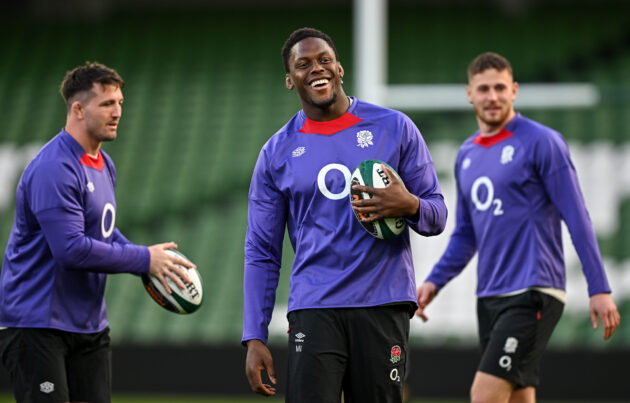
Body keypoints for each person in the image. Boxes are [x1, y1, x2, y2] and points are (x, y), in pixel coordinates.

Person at [242, 27, 447, 403]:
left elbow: (437, 214)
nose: (315, 69)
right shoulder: (276, 153)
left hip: (382, 304)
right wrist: (254, 335)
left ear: (339, 68)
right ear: (290, 80)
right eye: (303, 64)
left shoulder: (395, 127)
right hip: (314, 307)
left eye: (324, 60)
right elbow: (261, 250)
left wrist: (409, 204)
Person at [416, 52, 621, 403]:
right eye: (483, 89)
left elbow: (577, 216)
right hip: (490, 296)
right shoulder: (467, 154)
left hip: (533, 292)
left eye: (499, 87)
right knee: (517, 397)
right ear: (470, 93)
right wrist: (434, 281)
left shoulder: (542, 142)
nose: (492, 96)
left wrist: (599, 288)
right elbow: (466, 234)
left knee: (484, 395)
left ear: (514, 90)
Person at [0, 62, 195, 403]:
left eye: (120, 102)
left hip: (88, 326)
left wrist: (150, 257)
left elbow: (101, 230)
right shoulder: (54, 168)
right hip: (37, 325)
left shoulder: (104, 164)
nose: (118, 112)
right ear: (78, 109)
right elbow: (71, 249)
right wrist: (142, 259)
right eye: (107, 104)